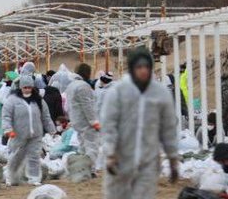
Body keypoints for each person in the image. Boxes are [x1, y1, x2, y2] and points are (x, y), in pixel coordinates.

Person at [102, 47, 180, 198]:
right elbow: (109, 124)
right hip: (121, 159)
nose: (143, 71)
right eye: (139, 67)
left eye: (147, 67)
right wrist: (110, 153)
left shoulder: (160, 93)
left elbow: (168, 129)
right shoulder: (118, 91)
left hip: (148, 161)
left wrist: (173, 159)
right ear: (132, 68)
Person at [1, 75, 55, 186]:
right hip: (18, 134)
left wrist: (51, 129)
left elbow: (45, 116)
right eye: (25, 87)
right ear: (20, 87)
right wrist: (8, 129)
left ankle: (34, 178)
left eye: (29, 87)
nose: (27, 89)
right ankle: (10, 177)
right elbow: (6, 116)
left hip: (36, 133)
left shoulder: (38, 100)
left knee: (34, 156)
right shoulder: (13, 100)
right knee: (16, 156)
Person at [65, 63, 102, 173]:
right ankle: (90, 169)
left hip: (76, 120)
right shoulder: (83, 86)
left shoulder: (71, 85)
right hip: (86, 121)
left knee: (82, 146)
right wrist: (94, 121)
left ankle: (80, 168)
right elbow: (87, 106)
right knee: (91, 146)